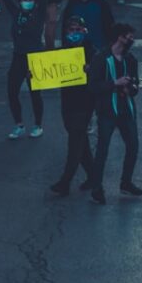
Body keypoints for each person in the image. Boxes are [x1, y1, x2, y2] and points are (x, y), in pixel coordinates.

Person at [89, 23, 141, 204]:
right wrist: (115, 83)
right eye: (129, 36)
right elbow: (93, 86)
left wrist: (131, 88)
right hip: (107, 111)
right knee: (102, 149)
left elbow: (136, 84)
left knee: (133, 146)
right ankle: (97, 187)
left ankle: (126, 182)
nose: (131, 40)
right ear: (120, 37)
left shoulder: (130, 59)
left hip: (126, 108)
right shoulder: (101, 58)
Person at [49, 15, 96, 196]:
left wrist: (91, 71)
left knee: (75, 141)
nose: (74, 33)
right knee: (79, 139)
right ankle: (93, 175)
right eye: (71, 30)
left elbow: (101, 75)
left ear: (84, 32)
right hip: (67, 102)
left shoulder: (92, 52)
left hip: (84, 103)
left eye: (78, 30)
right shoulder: (63, 52)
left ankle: (65, 181)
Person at [3, 0, 47, 139]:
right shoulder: (16, 13)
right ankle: (19, 124)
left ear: (34, 1)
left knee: (35, 93)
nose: (26, 1)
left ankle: (38, 125)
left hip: (35, 58)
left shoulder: (39, 14)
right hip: (18, 57)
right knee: (12, 91)